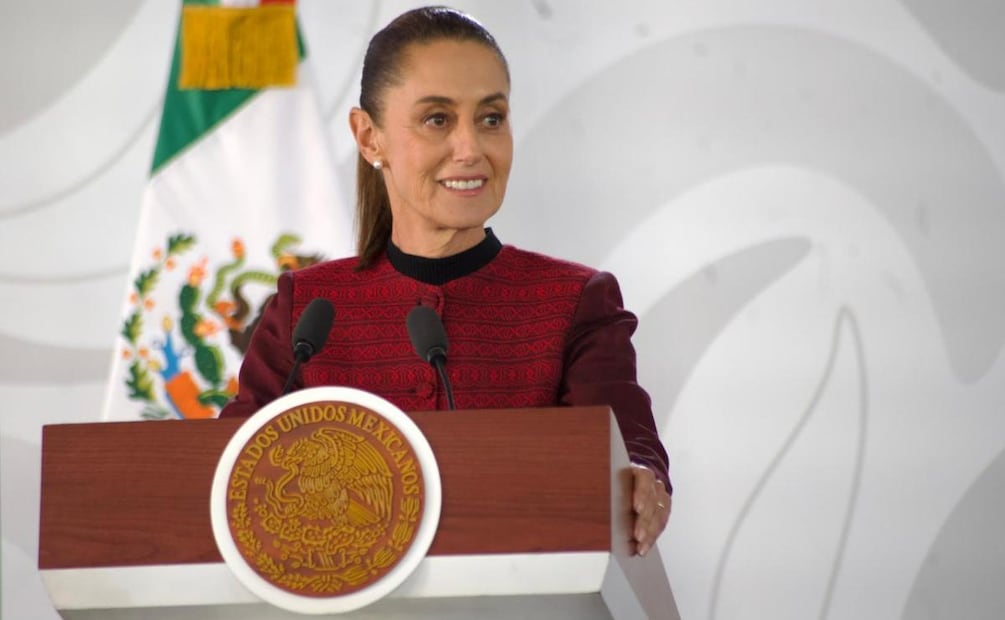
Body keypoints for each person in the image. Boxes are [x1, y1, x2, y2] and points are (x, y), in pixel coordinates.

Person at [219, 5, 671, 556]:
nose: (471, 148)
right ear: (368, 137)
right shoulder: (308, 310)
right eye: (438, 119)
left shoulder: (575, 301)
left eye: (491, 118)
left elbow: (626, 454)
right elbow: (231, 472)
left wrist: (644, 479)